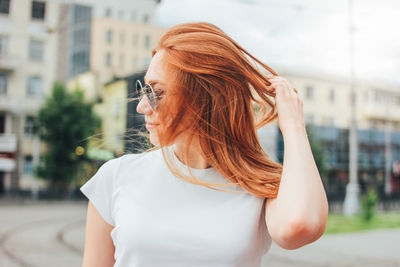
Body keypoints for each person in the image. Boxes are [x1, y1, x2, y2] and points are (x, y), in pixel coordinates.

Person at [80, 22, 328, 267]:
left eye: (157, 92)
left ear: (202, 98)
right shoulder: (116, 176)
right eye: (144, 90)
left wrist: (294, 125)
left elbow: (299, 226)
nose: (141, 106)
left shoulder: (258, 187)